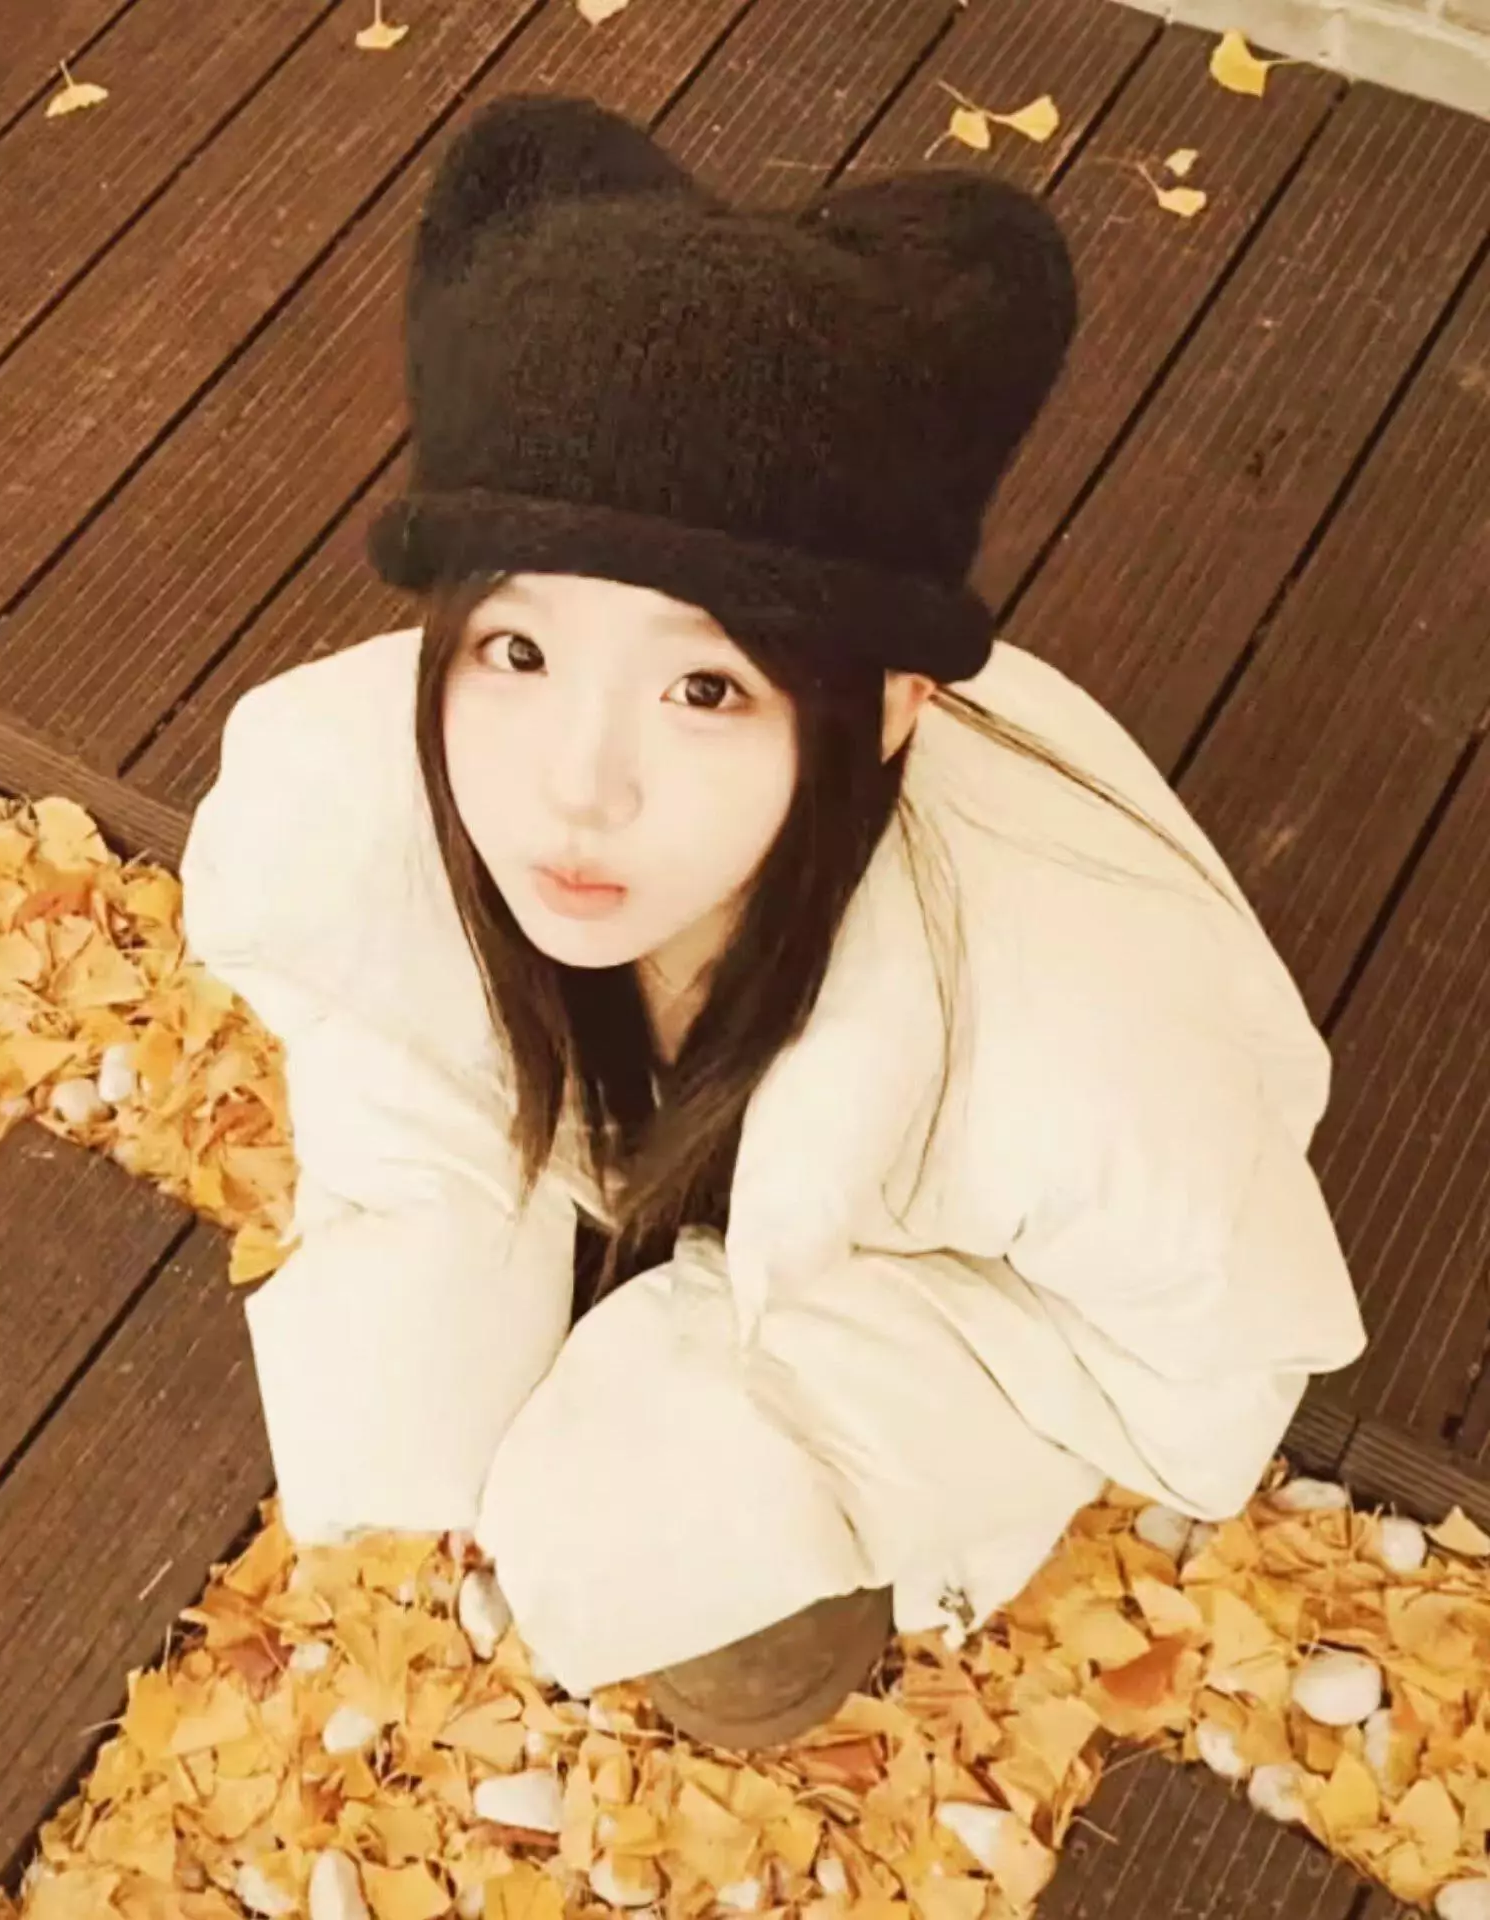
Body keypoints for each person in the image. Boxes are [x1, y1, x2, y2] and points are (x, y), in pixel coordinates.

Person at [180, 96, 1366, 1749]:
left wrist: (734, 1462)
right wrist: (435, 1353)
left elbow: (1196, 1366)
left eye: (705, 687)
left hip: (941, 1284)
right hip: (703, 1135)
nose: (577, 786)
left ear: (882, 709)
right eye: (519, 649)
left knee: (728, 1630)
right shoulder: (367, 795)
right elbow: (399, 1067)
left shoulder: (1076, 1049)